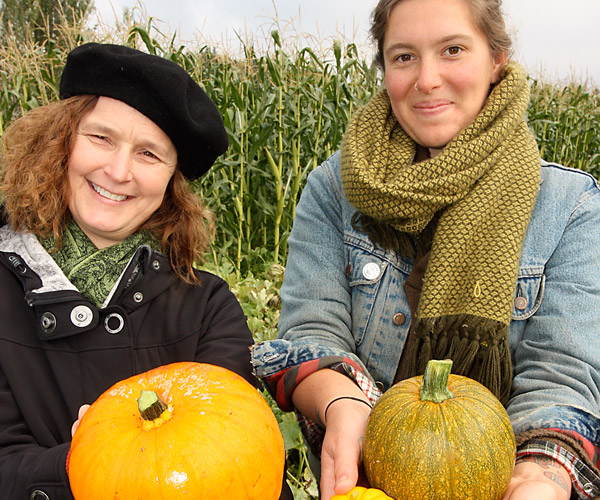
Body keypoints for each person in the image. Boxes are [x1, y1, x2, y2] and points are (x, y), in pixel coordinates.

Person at [251, 0, 600, 499]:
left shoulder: (570, 207)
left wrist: (539, 474)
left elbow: (562, 374)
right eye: (404, 57)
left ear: (497, 58)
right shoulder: (336, 188)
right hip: (363, 484)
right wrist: (341, 403)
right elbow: (313, 328)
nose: (427, 79)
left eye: (452, 49)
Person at [0, 42, 292, 500]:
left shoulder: (208, 308)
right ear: (61, 140)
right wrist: (78, 462)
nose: (118, 171)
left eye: (149, 154)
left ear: (171, 182)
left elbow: (241, 456)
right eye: (101, 138)